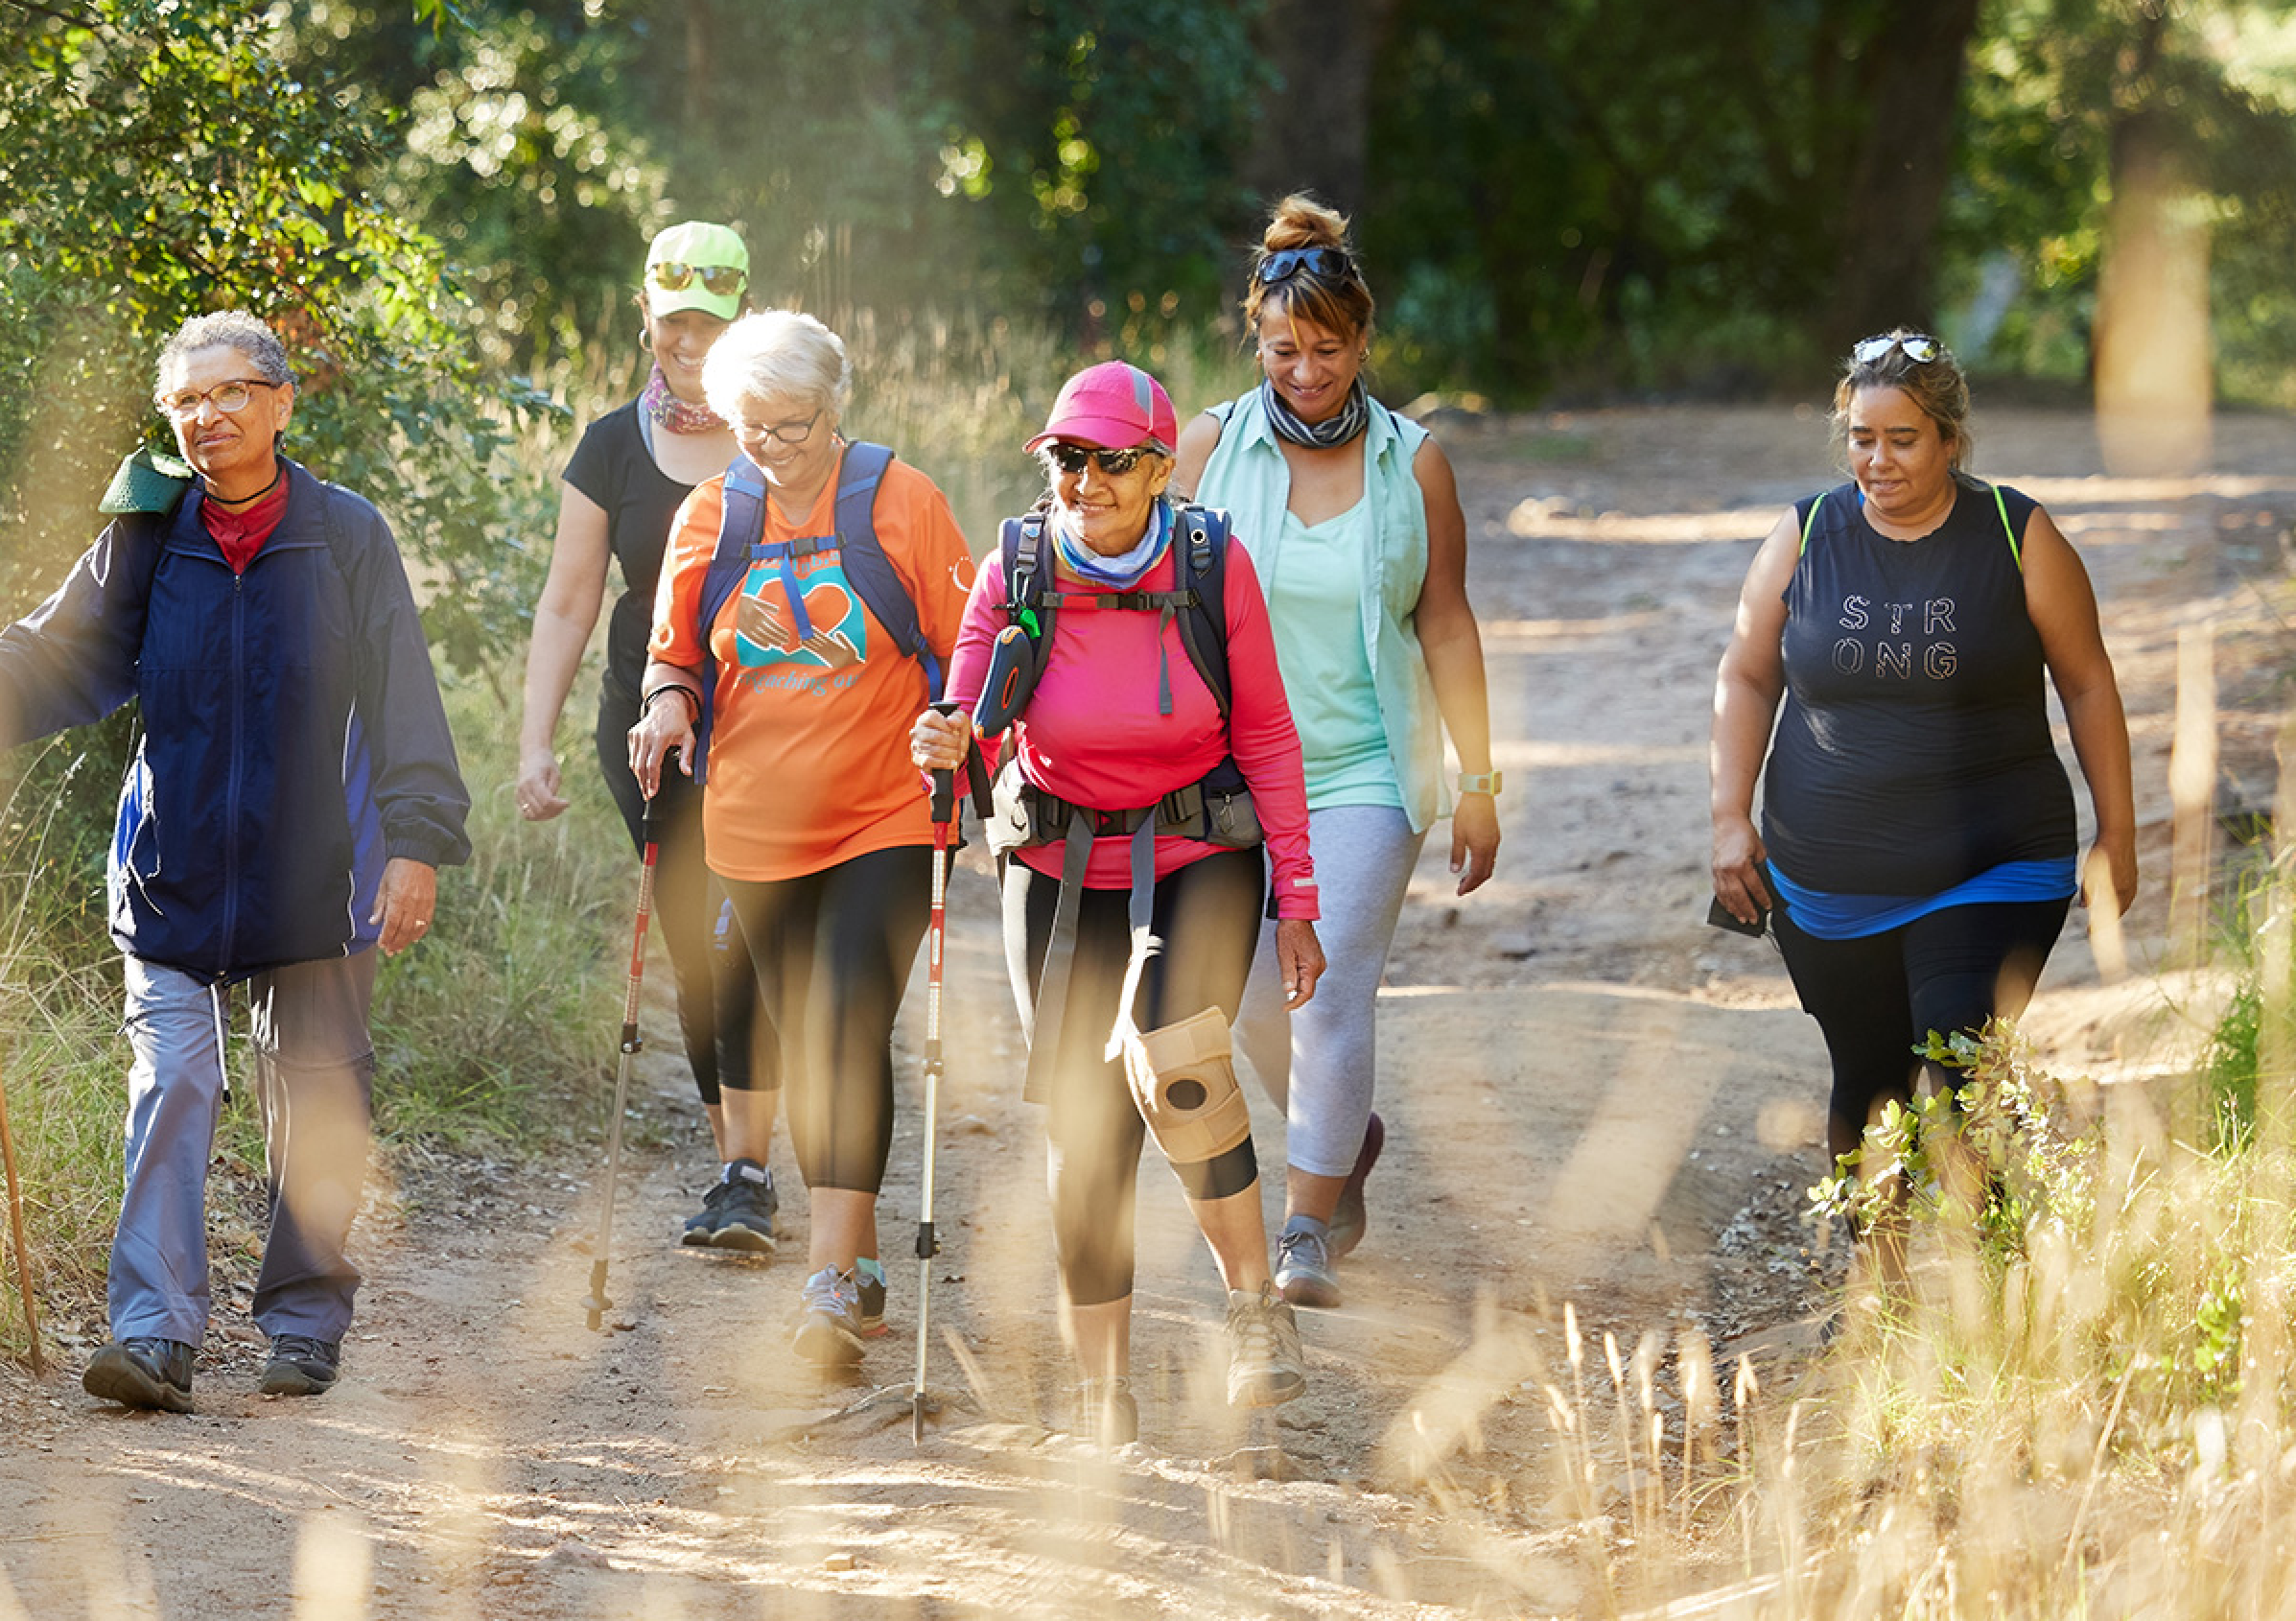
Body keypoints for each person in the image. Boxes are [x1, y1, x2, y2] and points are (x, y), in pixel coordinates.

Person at [0, 310, 472, 1411]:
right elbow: (59, 651)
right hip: (171, 865)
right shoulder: (150, 536)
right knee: (175, 1078)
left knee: (314, 1094)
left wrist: (417, 844)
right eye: (184, 401)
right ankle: (154, 1334)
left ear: (279, 402)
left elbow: (406, 697)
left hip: (319, 871)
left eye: (227, 393)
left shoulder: (346, 534)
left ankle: (304, 1322)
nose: (206, 416)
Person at [912, 360, 1326, 1445]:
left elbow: (1270, 733)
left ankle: (1251, 1314)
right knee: (1088, 1129)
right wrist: (945, 741)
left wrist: (1298, 895)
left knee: (1182, 1062)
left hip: (1200, 843)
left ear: (1156, 467)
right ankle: (1103, 1390)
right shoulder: (1016, 564)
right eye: (1065, 458)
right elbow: (966, 709)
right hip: (1056, 860)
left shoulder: (1210, 562)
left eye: (1109, 461)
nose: (1084, 480)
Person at [1708, 329, 2137, 1302]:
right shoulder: (1808, 534)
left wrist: (2120, 831)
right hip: (1826, 879)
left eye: (1901, 439)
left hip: (1994, 864)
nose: (1876, 460)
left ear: (1949, 440)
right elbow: (1746, 672)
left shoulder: (2017, 536)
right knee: (1866, 1074)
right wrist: (1729, 818)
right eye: (1861, 437)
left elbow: (2088, 682)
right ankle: (1884, 1291)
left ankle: (2002, 1292)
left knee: (1956, 1053)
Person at [1172, 196, 1501, 1310]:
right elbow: (1135, 580)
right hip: (1227, 775)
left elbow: (1446, 620)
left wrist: (1479, 781)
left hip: (1366, 767)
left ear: (1364, 345)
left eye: (1326, 349)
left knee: (1327, 987)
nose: (1304, 371)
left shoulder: (1417, 465)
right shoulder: (1210, 447)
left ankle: (1305, 1226)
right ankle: (1342, 1135)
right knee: (1248, 999)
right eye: (1282, 349)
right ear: (1254, 342)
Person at [629, 308, 972, 1367]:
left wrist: (957, 726)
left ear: (838, 407)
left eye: (794, 425)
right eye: (751, 428)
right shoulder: (710, 516)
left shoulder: (903, 501)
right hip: (752, 829)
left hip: (884, 813)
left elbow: (974, 652)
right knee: (818, 1041)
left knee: (839, 1021)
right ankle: (860, 1270)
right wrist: (667, 705)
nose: (773, 449)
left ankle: (826, 1285)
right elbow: (673, 654)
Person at [516, 221, 784, 1254]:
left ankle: (757, 1159)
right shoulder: (610, 446)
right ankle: (741, 1170)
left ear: (740, 322)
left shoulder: (779, 436)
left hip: (776, 734)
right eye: (674, 319)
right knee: (702, 944)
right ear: (647, 316)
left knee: (757, 937)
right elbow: (568, 601)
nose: (689, 339)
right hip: (649, 738)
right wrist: (534, 743)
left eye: (711, 323)